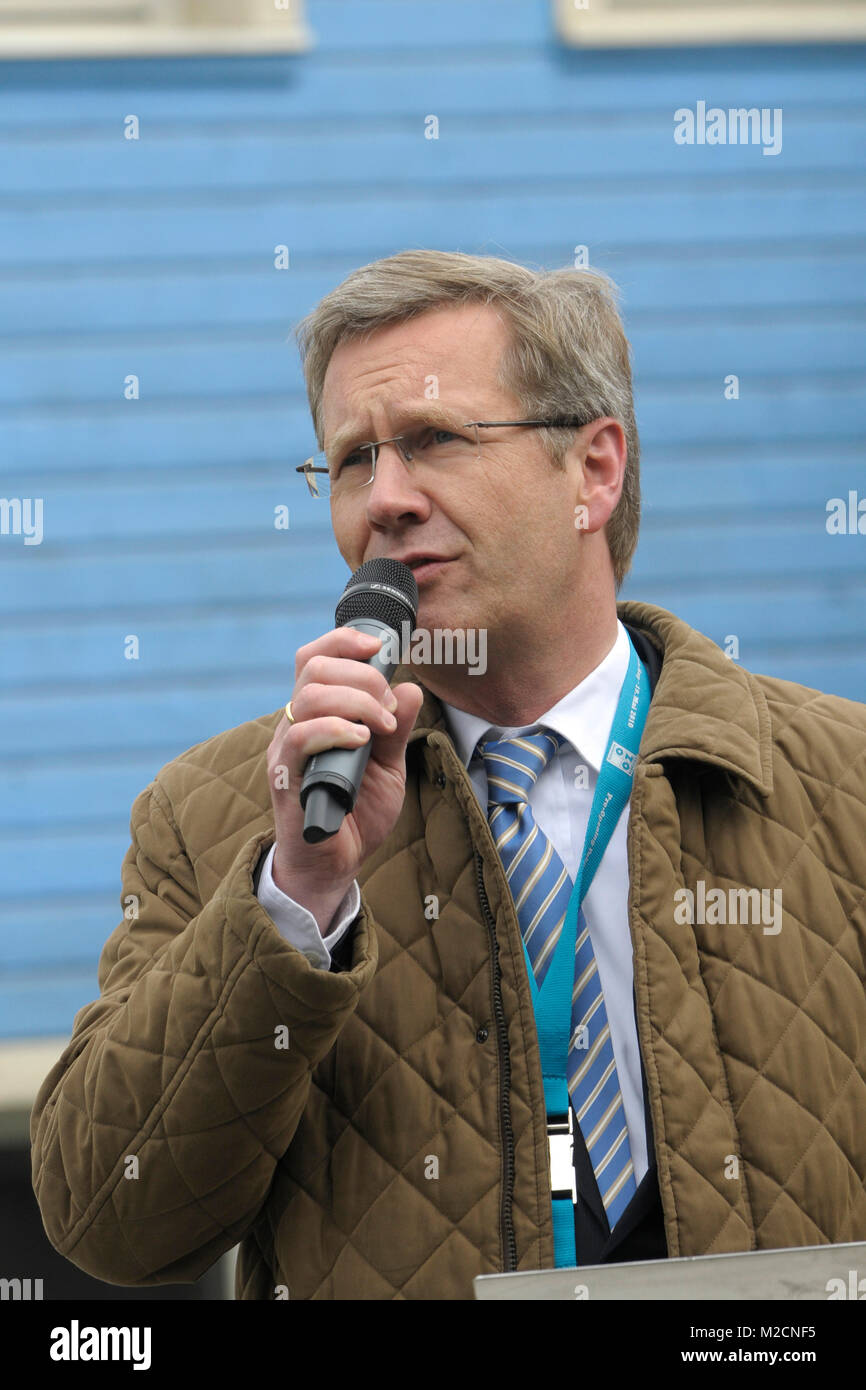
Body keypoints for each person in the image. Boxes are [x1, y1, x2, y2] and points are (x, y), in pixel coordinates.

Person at [31, 251, 866, 1300]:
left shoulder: (840, 785)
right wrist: (297, 899)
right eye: (348, 461)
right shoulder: (222, 817)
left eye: (434, 440)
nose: (383, 499)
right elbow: (113, 1220)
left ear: (593, 470)